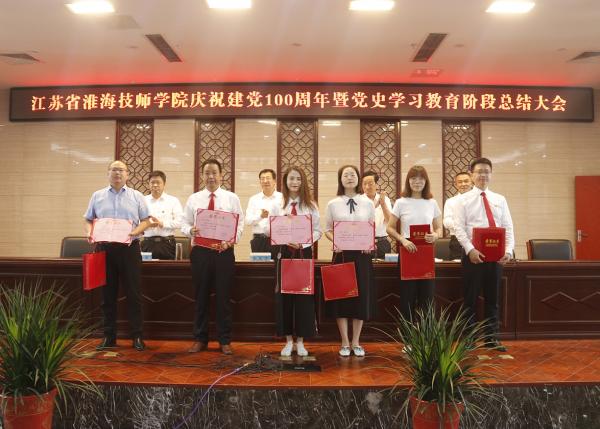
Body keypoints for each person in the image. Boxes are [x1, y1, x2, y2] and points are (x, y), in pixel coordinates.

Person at [84, 160, 151, 351]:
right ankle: (108, 336)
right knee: (107, 296)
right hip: (104, 250)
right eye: (114, 170)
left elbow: (146, 221)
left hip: (129, 249)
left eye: (121, 170)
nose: (117, 173)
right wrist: (89, 232)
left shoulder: (136, 196)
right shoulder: (97, 196)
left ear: (127, 174)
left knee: (134, 294)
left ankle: (137, 336)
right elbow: (88, 219)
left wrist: (135, 231)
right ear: (108, 174)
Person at [181, 159, 244, 355]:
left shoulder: (231, 198)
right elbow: (184, 223)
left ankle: (224, 340)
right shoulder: (194, 199)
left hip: (223, 253)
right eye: (207, 173)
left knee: (224, 297)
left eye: (214, 172)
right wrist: (190, 230)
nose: (211, 176)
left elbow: (240, 224)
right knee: (201, 296)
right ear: (202, 175)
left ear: (221, 175)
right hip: (200, 252)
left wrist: (230, 241)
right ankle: (200, 339)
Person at [453, 157, 514, 352]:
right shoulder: (462, 200)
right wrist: (470, 249)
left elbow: (508, 226)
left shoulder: (500, 199)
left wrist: (508, 250)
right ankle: (469, 339)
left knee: (492, 299)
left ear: (491, 174)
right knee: (470, 299)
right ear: (472, 175)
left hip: (495, 256)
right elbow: (458, 228)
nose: (483, 175)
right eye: (479, 171)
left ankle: (491, 338)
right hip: (473, 255)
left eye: (486, 171)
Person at [324, 165, 377, 357]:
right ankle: (345, 342)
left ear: (358, 178)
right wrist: (335, 241)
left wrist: (370, 243)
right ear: (340, 179)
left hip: (362, 256)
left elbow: (371, 227)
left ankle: (356, 342)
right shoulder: (333, 203)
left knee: (360, 298)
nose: (349, 177)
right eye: (345, 175)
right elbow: (327, 230)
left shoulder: (368, 203)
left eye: (352, 174)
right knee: (341, 297)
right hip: (341, 254)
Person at [271, 166, 321, 357]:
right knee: (284, 298)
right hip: (283, 252)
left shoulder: (311, 205)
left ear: (303, 182)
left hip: (303, 252)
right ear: (285, 181)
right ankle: (288, 341)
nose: (295, 182)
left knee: (303, 298)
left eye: (298, 179)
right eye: (291, 178)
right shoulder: (278, 204)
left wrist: (303, 242)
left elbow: (318, 231)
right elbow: (269, 229)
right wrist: (281, 229)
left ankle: (300, 341)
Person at [386, 165, 442, 324]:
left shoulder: (431, 202)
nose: (417, 182)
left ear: (426, 181)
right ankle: (407, 336)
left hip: (426, 254)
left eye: (421, 178)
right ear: (408, 181)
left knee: (427, 298)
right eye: (413, 178)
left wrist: (435, 235)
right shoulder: (401, 202)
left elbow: (439, 227)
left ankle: (427, 335)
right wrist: (403, 240)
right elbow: (389, 228)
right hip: (407, 253)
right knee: (407, 298)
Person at [141, 170, 183, 260]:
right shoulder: (142, 201)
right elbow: (137, 222)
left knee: (168, 269)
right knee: (146, 269)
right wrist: (146, 224)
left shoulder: (173, 201)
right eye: (152, 182)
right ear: (148, 184)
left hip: (167, 244)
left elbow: (180, 222)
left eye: (158, 182)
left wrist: (162, 224)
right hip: (147, 243)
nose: (155, 185)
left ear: (164, 184)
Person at [245, 169, 283, 256]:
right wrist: (260, 216)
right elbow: (247, 221)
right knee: (260, 265)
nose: (265, 181)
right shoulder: (254, 199)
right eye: (262, 179)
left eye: (268, 178)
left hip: (278, 240)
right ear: (260, 182)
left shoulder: (282, 198)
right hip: (259, 241)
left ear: (274, 181)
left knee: (277, 264)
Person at [361, 171, 393, 259]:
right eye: (364, 184)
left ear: (377, 184)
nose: (367, 187)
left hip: (382, 242)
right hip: (364, 242)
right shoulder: (358, 201)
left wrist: (383, 204)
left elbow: (390, 221)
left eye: (370, 183)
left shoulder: (385, 199)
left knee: (383, 267)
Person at [443, 172, 473, 260]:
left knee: (477, 265)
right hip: (457, 240)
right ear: (456, 185)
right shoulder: (450, 201)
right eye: (460, 182)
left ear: (472, 183)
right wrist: (463, 225)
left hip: (475, 238)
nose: (463, 184)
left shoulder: (478, 200)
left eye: (466, 181)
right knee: (457, 266)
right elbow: (447, 222)